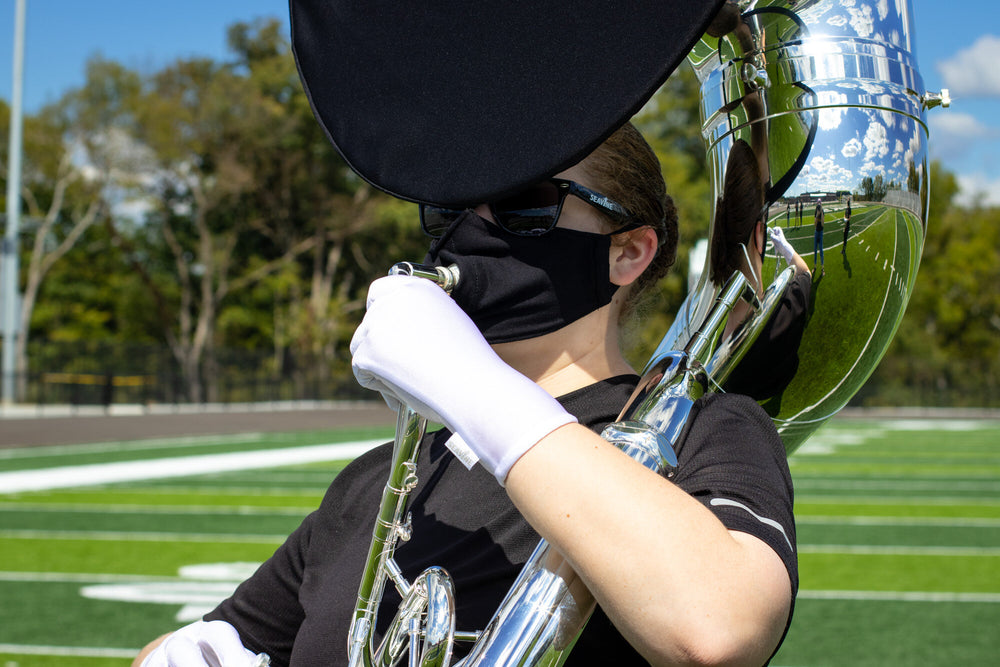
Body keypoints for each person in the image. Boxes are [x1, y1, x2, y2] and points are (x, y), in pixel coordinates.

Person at [133, 123, 797, 667]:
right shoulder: (372, 483)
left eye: (524, 203)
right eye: (452, 208)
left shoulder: (702, 428)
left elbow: (720, 627)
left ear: (629, 252)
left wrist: (469, 381)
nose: (472, 228)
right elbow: (193, 645)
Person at [709, 139, 811, 402]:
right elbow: (803, 272)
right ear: (759, 234)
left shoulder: (718, 341)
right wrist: (787, 250)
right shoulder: (782, 318)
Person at [813, 201, 825, 275]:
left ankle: (822, 268)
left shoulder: (822, 212)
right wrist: (817, 215)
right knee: (815, 250)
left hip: (820, 233)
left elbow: (823, 224)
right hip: (816, 232)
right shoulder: (816, 212)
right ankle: (814, 267)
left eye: (820, 204)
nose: (819, 206)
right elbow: (815, 224)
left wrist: (821, 213)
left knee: (821, 250)